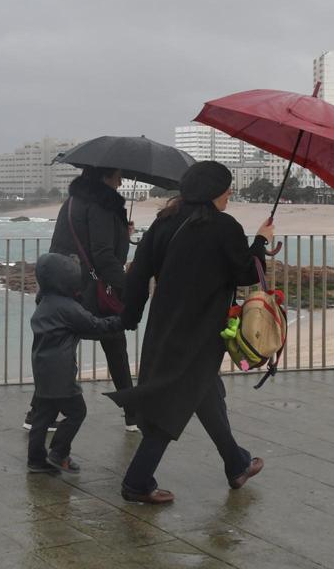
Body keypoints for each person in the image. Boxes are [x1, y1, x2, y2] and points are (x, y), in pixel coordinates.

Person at [106, 160, 274, 504]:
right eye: (227, 189)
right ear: (214, 192)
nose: (229, 195)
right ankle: (136, 483)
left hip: (165, 325)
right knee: (174, 402)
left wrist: (130, 316)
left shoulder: (165, 221)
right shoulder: (223, 226)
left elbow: (139, 273)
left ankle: (237, 463)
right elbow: (245, 273)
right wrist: (260, 241)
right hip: (200, 331)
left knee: (204, 393)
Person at [23, 166, 137, 432]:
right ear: (104, 175)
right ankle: (133, 413)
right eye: (118, 174)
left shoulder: (72, 202)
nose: (121, 180)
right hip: (90, 291)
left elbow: (67, 246)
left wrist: (121, 233)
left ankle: (38, 413)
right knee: (115, 345)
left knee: (57, 352)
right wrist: (127, 286)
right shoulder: (101, 206)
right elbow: (103, 254)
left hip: (60, 289)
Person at [27, 252, 124, 474]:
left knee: (43, 415)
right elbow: (94, 325)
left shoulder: (44, 301)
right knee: (77, 412)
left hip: (42, 368)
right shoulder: (66, 307)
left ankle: (35, 459)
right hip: (61, 372)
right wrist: (121, 321)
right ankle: (59, 453)